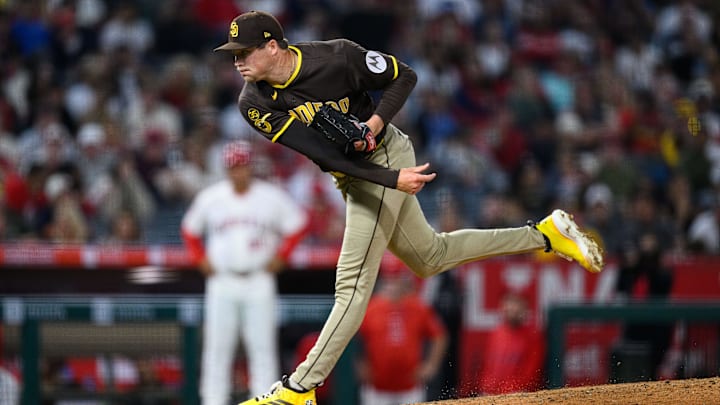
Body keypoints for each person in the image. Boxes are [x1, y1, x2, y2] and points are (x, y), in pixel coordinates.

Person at [212, 11, 604, 404]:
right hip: (360, 173)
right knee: (429, 256)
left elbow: (405, 76)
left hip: (387, 153)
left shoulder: (336, 57)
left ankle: (298, 390)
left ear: (273, 46)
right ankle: (545, 235)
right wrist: (390, 180)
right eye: (233, 54)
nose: (237, 61)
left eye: (245, 51)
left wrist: (377, 125)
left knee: (351, 285)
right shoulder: (254, 102)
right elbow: (325, 156)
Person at [180, 140, 308, 405]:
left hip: (259, 279)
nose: (238, 172)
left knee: (262, 348)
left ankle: (265, 401)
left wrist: (282, 256)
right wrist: (199, 258)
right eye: (233, 167)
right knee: (217, 348)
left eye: (242, 166)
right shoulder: (212, 197)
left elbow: (298, 224)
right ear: (226, 169)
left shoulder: (270, 196)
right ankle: (213, 401)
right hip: (222, 280)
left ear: (250, 167)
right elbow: (189, 229)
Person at [355, 267, 448, 405]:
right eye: (390, 281)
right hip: (377, 388)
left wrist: (431, 366)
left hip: (410, 387)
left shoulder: (417, 307)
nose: (393, 285)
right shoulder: (371, 308)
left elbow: (439, 336)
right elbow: (354, 338)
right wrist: (359, 364)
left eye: (397, 280)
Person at [478, 291, 546, 395]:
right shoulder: (495, 333)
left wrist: (510, 394)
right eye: (509, 303)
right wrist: (485, 390)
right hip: (490, 396)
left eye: (517, 303)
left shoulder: (533, 336)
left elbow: (531, 376)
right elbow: (487, 369)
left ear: (525, 308)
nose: (512, 308)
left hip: (516, 396)